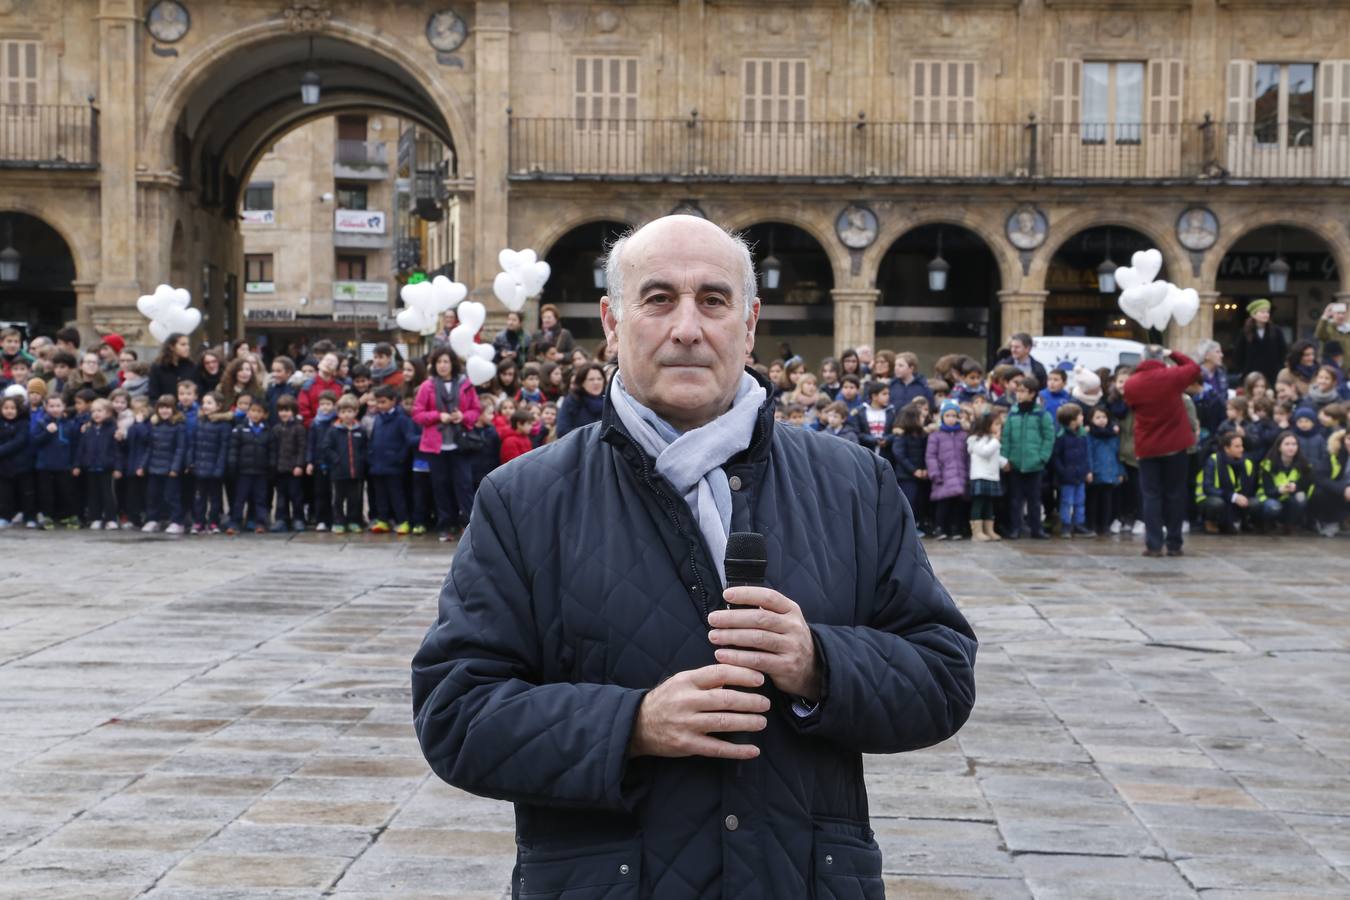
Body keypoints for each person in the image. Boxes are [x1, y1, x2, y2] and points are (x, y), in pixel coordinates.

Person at [411, 214, 976, 898]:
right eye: (657, 299)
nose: (687, 327)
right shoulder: (524, 498)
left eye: (713, 299)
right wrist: (631, 725)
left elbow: (943, 677)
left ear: (750, 321)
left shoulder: (855, 483)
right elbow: (456, 712)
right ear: (613, 323)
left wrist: (819, 664)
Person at [1124, 346, 1201, 557]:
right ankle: (1174, 543)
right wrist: (1175, 353)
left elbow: (1132, 405)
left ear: (1142, 359)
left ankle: (1154, 544)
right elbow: (1194, 368)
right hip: (1175, 444)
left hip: (1147, 445)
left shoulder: (1132, 383)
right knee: (1175, 494)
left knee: (1151, 496)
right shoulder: (1172, 376)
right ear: (1162, 358)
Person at [412, 348, 481, 542]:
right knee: (440, 486)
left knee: (464, 485)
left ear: (453, 363)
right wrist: (437, 416)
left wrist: (463, 416)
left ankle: (469, 524)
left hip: (460, 443)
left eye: (446, 361)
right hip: (436, 445)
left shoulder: (465, 384)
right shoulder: (427, 386)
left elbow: (476, 410)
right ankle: (446, 525)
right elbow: (417, 413)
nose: (443, 365)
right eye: (439, 362)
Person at [1002, 377, 1054, 539]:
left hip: (1035, 464)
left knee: (1034, 500)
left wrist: (1042, 457)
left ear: (1032, 394)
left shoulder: (1041, 414)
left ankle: (1036, 529)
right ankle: (1015, 528)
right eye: (1018, 391)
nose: (1019, 394)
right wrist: (1006, 458)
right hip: (1016, 463)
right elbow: (1006, 437)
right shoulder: (1013, 413)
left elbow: (1048, 437)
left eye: (1023, 391)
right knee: (1015, 499)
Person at [368, 384, 418, 535]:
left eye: (383, 402)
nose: (379, 405)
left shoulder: (402, 419)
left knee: (397, 495)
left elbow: (408, 441)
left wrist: (399, 458)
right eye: (377, 402)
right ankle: (383, 520)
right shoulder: (377, 419)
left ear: (393, 401)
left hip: (395, 466)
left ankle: (403, 521)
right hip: (377, 464)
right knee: (380, 495)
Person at [33, 394, 80, 529]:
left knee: (65, 491)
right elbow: (35, 442)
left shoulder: (69, 424)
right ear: (46, 407)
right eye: (51, 406)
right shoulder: (41, 423)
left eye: (58, 406)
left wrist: (75, 463)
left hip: (64, 465)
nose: (55, 409)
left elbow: (75, 445)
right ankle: (46, 515)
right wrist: (47, 432)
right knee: (46, 492)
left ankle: (67, 515)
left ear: (64, 406)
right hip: (45, 465)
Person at [925, 398, 969, 540]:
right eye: (948, 416)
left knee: (958, 503)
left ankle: (955, 528)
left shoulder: (963, 435)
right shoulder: (936, 435)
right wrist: (934, 473)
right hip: (943, 475)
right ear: (942, 417)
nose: (951, 419)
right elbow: (931, 456)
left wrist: (968, 474)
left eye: (954, 416)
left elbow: (967, 456)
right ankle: (940, 527)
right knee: (943, 503)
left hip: (960, 474)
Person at [1196, 432, 1256, 534]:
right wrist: (1233, 496)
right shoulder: (1213, 460)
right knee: (1217, 503)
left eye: (1242, 446)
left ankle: (1241, 521)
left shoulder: (1247, 463)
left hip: (1234, 498)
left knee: (1256, 503)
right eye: (1237, 446)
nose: (1241, 449)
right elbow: (1208, 488)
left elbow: (1249, 488)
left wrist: (1242, 498)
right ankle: (1210, 521)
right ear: (1226, 448)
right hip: (1209, 498)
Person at [227, 397, 271, 534]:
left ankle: (260, 523)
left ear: (264, 414)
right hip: (243, 471)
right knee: (239, 498)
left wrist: (271, 467)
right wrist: (232, 465)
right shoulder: (239, 429)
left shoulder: (268, 431)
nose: (255, 414)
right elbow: (233, 449)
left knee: (260, 499)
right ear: (248, 412)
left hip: (261, 472)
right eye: (253, 411)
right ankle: (235, 523)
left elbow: (272, 451)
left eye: (259, 411)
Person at [1052, 403, 1093, 538]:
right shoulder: (1061, 436)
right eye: (1080, 415)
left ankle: (1079, 524)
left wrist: (1087, 470)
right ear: (1072, 420)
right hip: (1067, 476)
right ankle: (1066, 525)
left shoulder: (1082, 435)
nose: (1082, 417)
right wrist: (1062, 471)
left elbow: (1086, 455)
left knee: (1080, 501)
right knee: (1066, 501)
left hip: (1080, 474)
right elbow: (1056, 456)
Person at [1258, 432, 1311, 534]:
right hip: (1271, 497)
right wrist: (1279, 490)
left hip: (1290, 497)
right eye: (1287, 444)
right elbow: (1267, 491)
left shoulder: (1304, 464)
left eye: (1294, 444)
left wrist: (1296, 487)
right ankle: (1266, 524)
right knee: (1273, 507)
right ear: (1279, 447)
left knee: (1301, 498)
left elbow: (1306, 485)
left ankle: (1289, 525)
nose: (1291, 447)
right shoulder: (1267, 464)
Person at [269, 395, 307, 532]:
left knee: (296, 496)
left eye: (287, 410)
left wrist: (299, 465)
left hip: (294, 470)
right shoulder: (276, 429)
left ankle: (298, 518)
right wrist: (273, 466)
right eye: (281, 410)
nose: (283, 413)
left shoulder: (299, 428)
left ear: (294, 411)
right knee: (281, 497)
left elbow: (302, 448)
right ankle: (281, 519)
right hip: (280, 469)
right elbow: (273, 449)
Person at [966, 410, 1005, 542]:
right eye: (996, 424)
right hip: (980, 475)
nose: (999, 427)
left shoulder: (991, 439)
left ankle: (989, 530)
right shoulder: (976, 439)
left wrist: (1004, 463)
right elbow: (985, 452)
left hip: (992, 476)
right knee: (979, 503)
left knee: (989, 503)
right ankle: (977, 532)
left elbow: (994, 456)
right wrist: (995, 441)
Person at [1086, 407, 1125, 536]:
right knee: (1093, 501)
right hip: (1096, 472)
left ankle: (1104, 525)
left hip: (1110, 472)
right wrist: (1089, 471)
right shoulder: (1089, 435)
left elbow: (1118, 454)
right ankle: (1091, 525)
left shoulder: (1113, 435)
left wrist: (1120, 472)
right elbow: (1088, 454)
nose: (1101, 420)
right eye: (1097, 417)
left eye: (1104, 417)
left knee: (1107, 501)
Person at [0, 391, 35, 528]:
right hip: (3, 467)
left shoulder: (23, 423)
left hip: (22, 465)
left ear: (18, 409)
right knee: (4, 495)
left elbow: (19, 442)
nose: (9, 411)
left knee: (27, 493)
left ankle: (29, 516)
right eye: (6, 408)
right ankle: (4, 516)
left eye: (12, 408)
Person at [1234, 299, 1287, 384]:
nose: (1266, 315)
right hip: (1251, 375)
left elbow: (1283, 351)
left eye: (1267, 312)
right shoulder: (1245, 332)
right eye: (1262, 312)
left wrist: (1280, 369)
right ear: (1253, 315)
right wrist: (1241, 371)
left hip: (1272, 375)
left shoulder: (1276, 331)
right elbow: (1239, 353)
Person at [556, 362, 607, 437]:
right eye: (591, 379)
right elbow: (562, 431)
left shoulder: (610, 401)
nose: (596, 382)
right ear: (582, 382)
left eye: (599, 379)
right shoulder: (572, 401)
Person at [847, 380, 896, 459]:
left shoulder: (891, 412)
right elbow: (856, 432)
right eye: (884, 394)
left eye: (888, 394)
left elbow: (896, 432)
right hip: (865, 454)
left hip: (886, 455)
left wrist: (887, 439)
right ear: (874, 396)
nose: (888, 396)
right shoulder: (861, 411)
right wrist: (873, 440)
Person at [148, 334, 198, 401]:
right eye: (183, 344)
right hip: (165, 408)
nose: (187, 347)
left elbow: (197, 391)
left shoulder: (192, 366)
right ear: (171, 346)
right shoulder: (158, 367)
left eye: (188, 344)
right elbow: (153, 395)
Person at [298, 352, 344, 426]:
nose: (329, 363)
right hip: (314, 428)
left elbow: (342, 408)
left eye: (333, 362)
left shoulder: (339, 386)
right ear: (319, 364)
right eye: (327, 360)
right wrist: (312, 424)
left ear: (335, 370)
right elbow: (303, 410)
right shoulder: (307, 386)